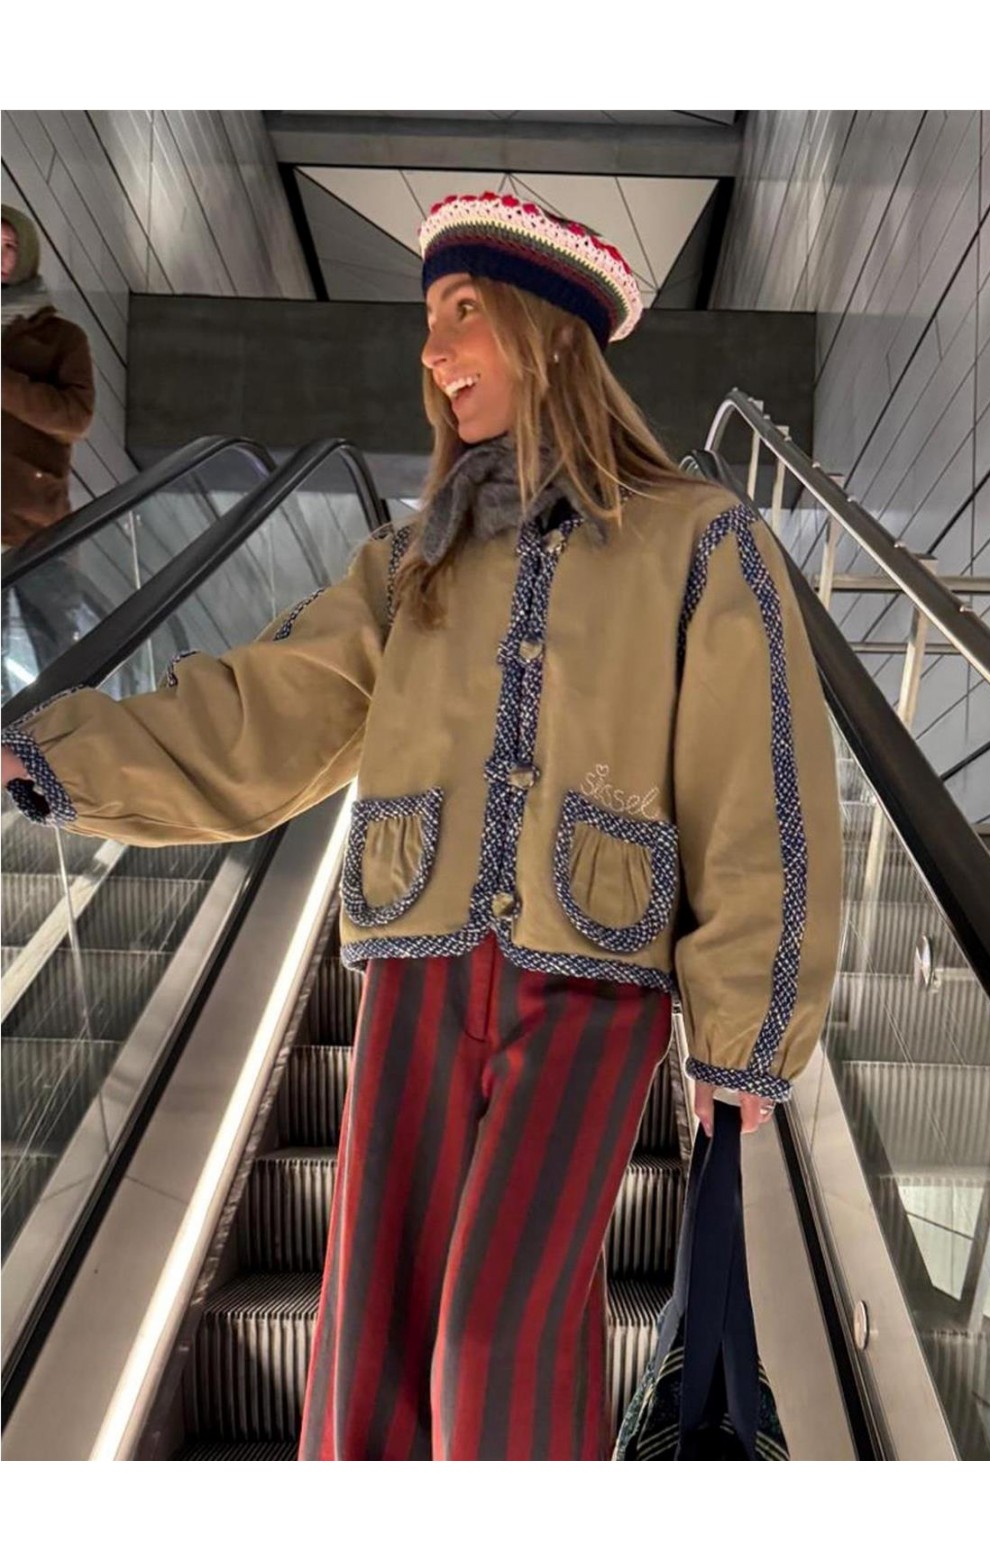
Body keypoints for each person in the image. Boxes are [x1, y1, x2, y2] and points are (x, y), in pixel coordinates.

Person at [1, 192, 843, 1462]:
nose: (432, 350)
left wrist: (744, 1032)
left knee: (491, 1343)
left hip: (591, 983)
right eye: (429, 319)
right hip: (413, 971)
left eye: (461, 312)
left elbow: (759, 790)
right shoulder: (413, 562)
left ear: (546, 330)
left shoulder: (699, 540)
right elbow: (267, 710)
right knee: (372, 1350)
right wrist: (51, 755)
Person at [2, 203, 97, 690]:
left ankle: (59, 733)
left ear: (27, 255)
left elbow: (76, 417)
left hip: (36, 524)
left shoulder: (61, 338)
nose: (0, 257)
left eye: (9, 246)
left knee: (56, 663)